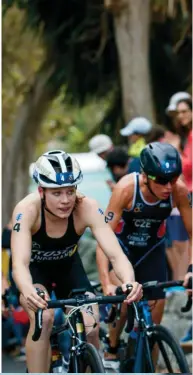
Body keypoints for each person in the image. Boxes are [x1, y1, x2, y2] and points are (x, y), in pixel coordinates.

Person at [11, 150, 142, 373]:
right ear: (41, 191)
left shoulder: (86, 207)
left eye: (70, 191)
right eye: (56, 193)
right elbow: (19, 265)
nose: (65, 200)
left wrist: (129, 281)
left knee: (91, 325)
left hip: (69, 268)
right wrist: (27, 291)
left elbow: (115, 255)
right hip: (34, 273)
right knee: (44, 319)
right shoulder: (27, 209)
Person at [96, 142, 192, 362]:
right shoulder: (126, 189)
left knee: (153, 326)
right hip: (122, 251)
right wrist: (106, 284)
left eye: (174, 178)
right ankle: (111, 347)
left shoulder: (178, 191)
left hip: (151, 252)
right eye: (161, 180)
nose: (168, 186)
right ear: (146, 175)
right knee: (122, 304)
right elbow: (104, 238)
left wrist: (190, 269)